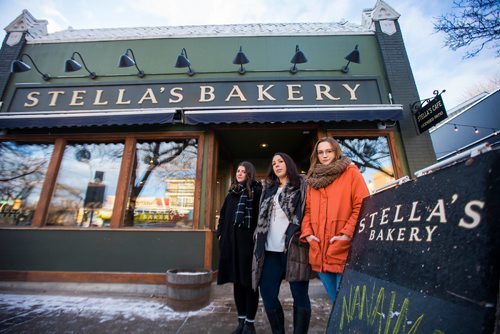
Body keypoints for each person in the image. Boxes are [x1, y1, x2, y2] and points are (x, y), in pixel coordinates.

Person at [300, 137, 369, 303]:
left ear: (336, 152)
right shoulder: (312, 180)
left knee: (346, 305)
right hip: (319, 250)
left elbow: (364, 204)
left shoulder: (350, 173)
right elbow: (307, 211)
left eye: (328, 151)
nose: (324, 155)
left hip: (343, 248)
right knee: (336, 302)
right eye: (320, 152)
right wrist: (308, 234)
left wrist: (346, 234)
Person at [252, 152, 311, 334]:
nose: (277, 165)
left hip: (294, 249)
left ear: (289, 164)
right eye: (274, 163)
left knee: (299, 295)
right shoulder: (268, 189)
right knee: (268, 294)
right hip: (269, 251)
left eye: (280, 161)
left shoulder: (301, 185)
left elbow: (308, 212)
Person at [217, 161, 263, 334]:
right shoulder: (231, 194)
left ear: (249, 174)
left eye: (243, 171)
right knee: (237, 284)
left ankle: (250, 324)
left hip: (248, 248)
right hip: (231, 246)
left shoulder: (257, 193)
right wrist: (220, 234)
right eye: (238, 170)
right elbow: (222, 217)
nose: (240, 173)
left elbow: (261, 219)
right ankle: (241, 321)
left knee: (249, 285)